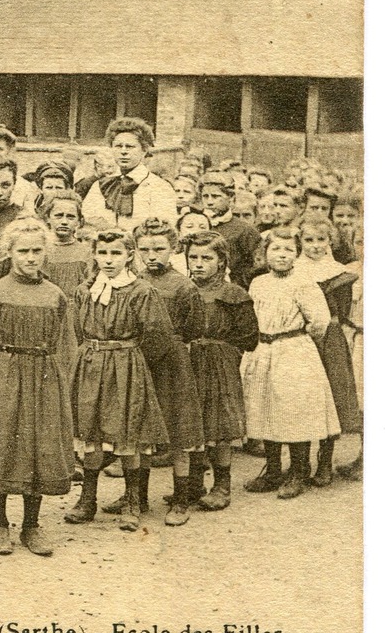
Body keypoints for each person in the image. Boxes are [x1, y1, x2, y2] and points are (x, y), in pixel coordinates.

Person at [0, 218, 75, 557]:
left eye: (37, 251)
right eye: (22, 251)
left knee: (37, 446)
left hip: (43, 376)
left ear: (46, 252)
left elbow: (59, 339)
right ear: (8, 252)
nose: (30, 258)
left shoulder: (55, 295)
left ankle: (31, 525)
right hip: (4, 372)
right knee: (3, 444)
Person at [64, 229, 173, 531]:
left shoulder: (140, 291)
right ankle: (87, 500)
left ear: (129, 255)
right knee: (91, 434)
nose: (108, 260)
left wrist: (131, 361)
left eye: (115, 253)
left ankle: (133, 501)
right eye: (102, 253)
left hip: (126, 367)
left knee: (128, 437)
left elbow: (158, 336)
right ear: (95, 255)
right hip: (91, 365)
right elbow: (78, 329)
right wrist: (93, 355)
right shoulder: (85, 290)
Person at [243, 228, 339, 499]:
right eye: (276, 249)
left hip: (294, 349)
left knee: (296, 408)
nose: (282, 255)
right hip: (264, 348)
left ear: (296, 253)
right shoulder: (258, 283)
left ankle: (299, 470)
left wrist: (293, 340)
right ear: (265, 253)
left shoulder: (304, 282)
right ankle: (273, 470)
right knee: (266, 407)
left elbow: (319, 321)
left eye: (288, 250)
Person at [132, 218, 207, 525]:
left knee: (178, 431)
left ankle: (181, 498)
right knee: (142, 430)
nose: (152, 255)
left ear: (173, 249)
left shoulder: (184, 286)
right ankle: (138, 497)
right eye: (145, 249)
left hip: (173, 363)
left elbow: (193, 328)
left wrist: (170, 343)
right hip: (140, 360)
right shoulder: (133, 280)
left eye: (159, 249)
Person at [181, 231, 256, 512]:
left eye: (206, 258)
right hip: (189, 362)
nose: (198, 264)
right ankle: (193, 482)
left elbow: (248, 336)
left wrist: (225, 352)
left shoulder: (233, 294)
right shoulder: (184, 290)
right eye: (193, 257)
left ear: (222, 261)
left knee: (219, 424)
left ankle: (222, 485)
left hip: (220, 365)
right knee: (194, 423)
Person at [296, 217, 362, 486]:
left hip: (331, 339)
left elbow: (343, 313)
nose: (315, 246)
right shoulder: (294, 269)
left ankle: (325, 462)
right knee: (300, 395)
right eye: (308, 240)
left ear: (330, 241)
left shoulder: (339, 273)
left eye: (321, 240)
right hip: (300, 338)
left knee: (332, 396)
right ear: (299, 241)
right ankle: (299, 464)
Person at [82, 117, 177, 231]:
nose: (123, 151)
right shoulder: (101, 185)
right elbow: (88, 220)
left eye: (130, 146)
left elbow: (165, 227)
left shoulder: (160, 187)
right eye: (118, 146)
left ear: (144, 150)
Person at [199, 172, 260, 288]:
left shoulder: (245, 230)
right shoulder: (194, 224)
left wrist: (236, 284)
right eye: (205, 196)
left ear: (231, 198)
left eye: (216, 196)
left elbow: (257, 267)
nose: (210, 202)